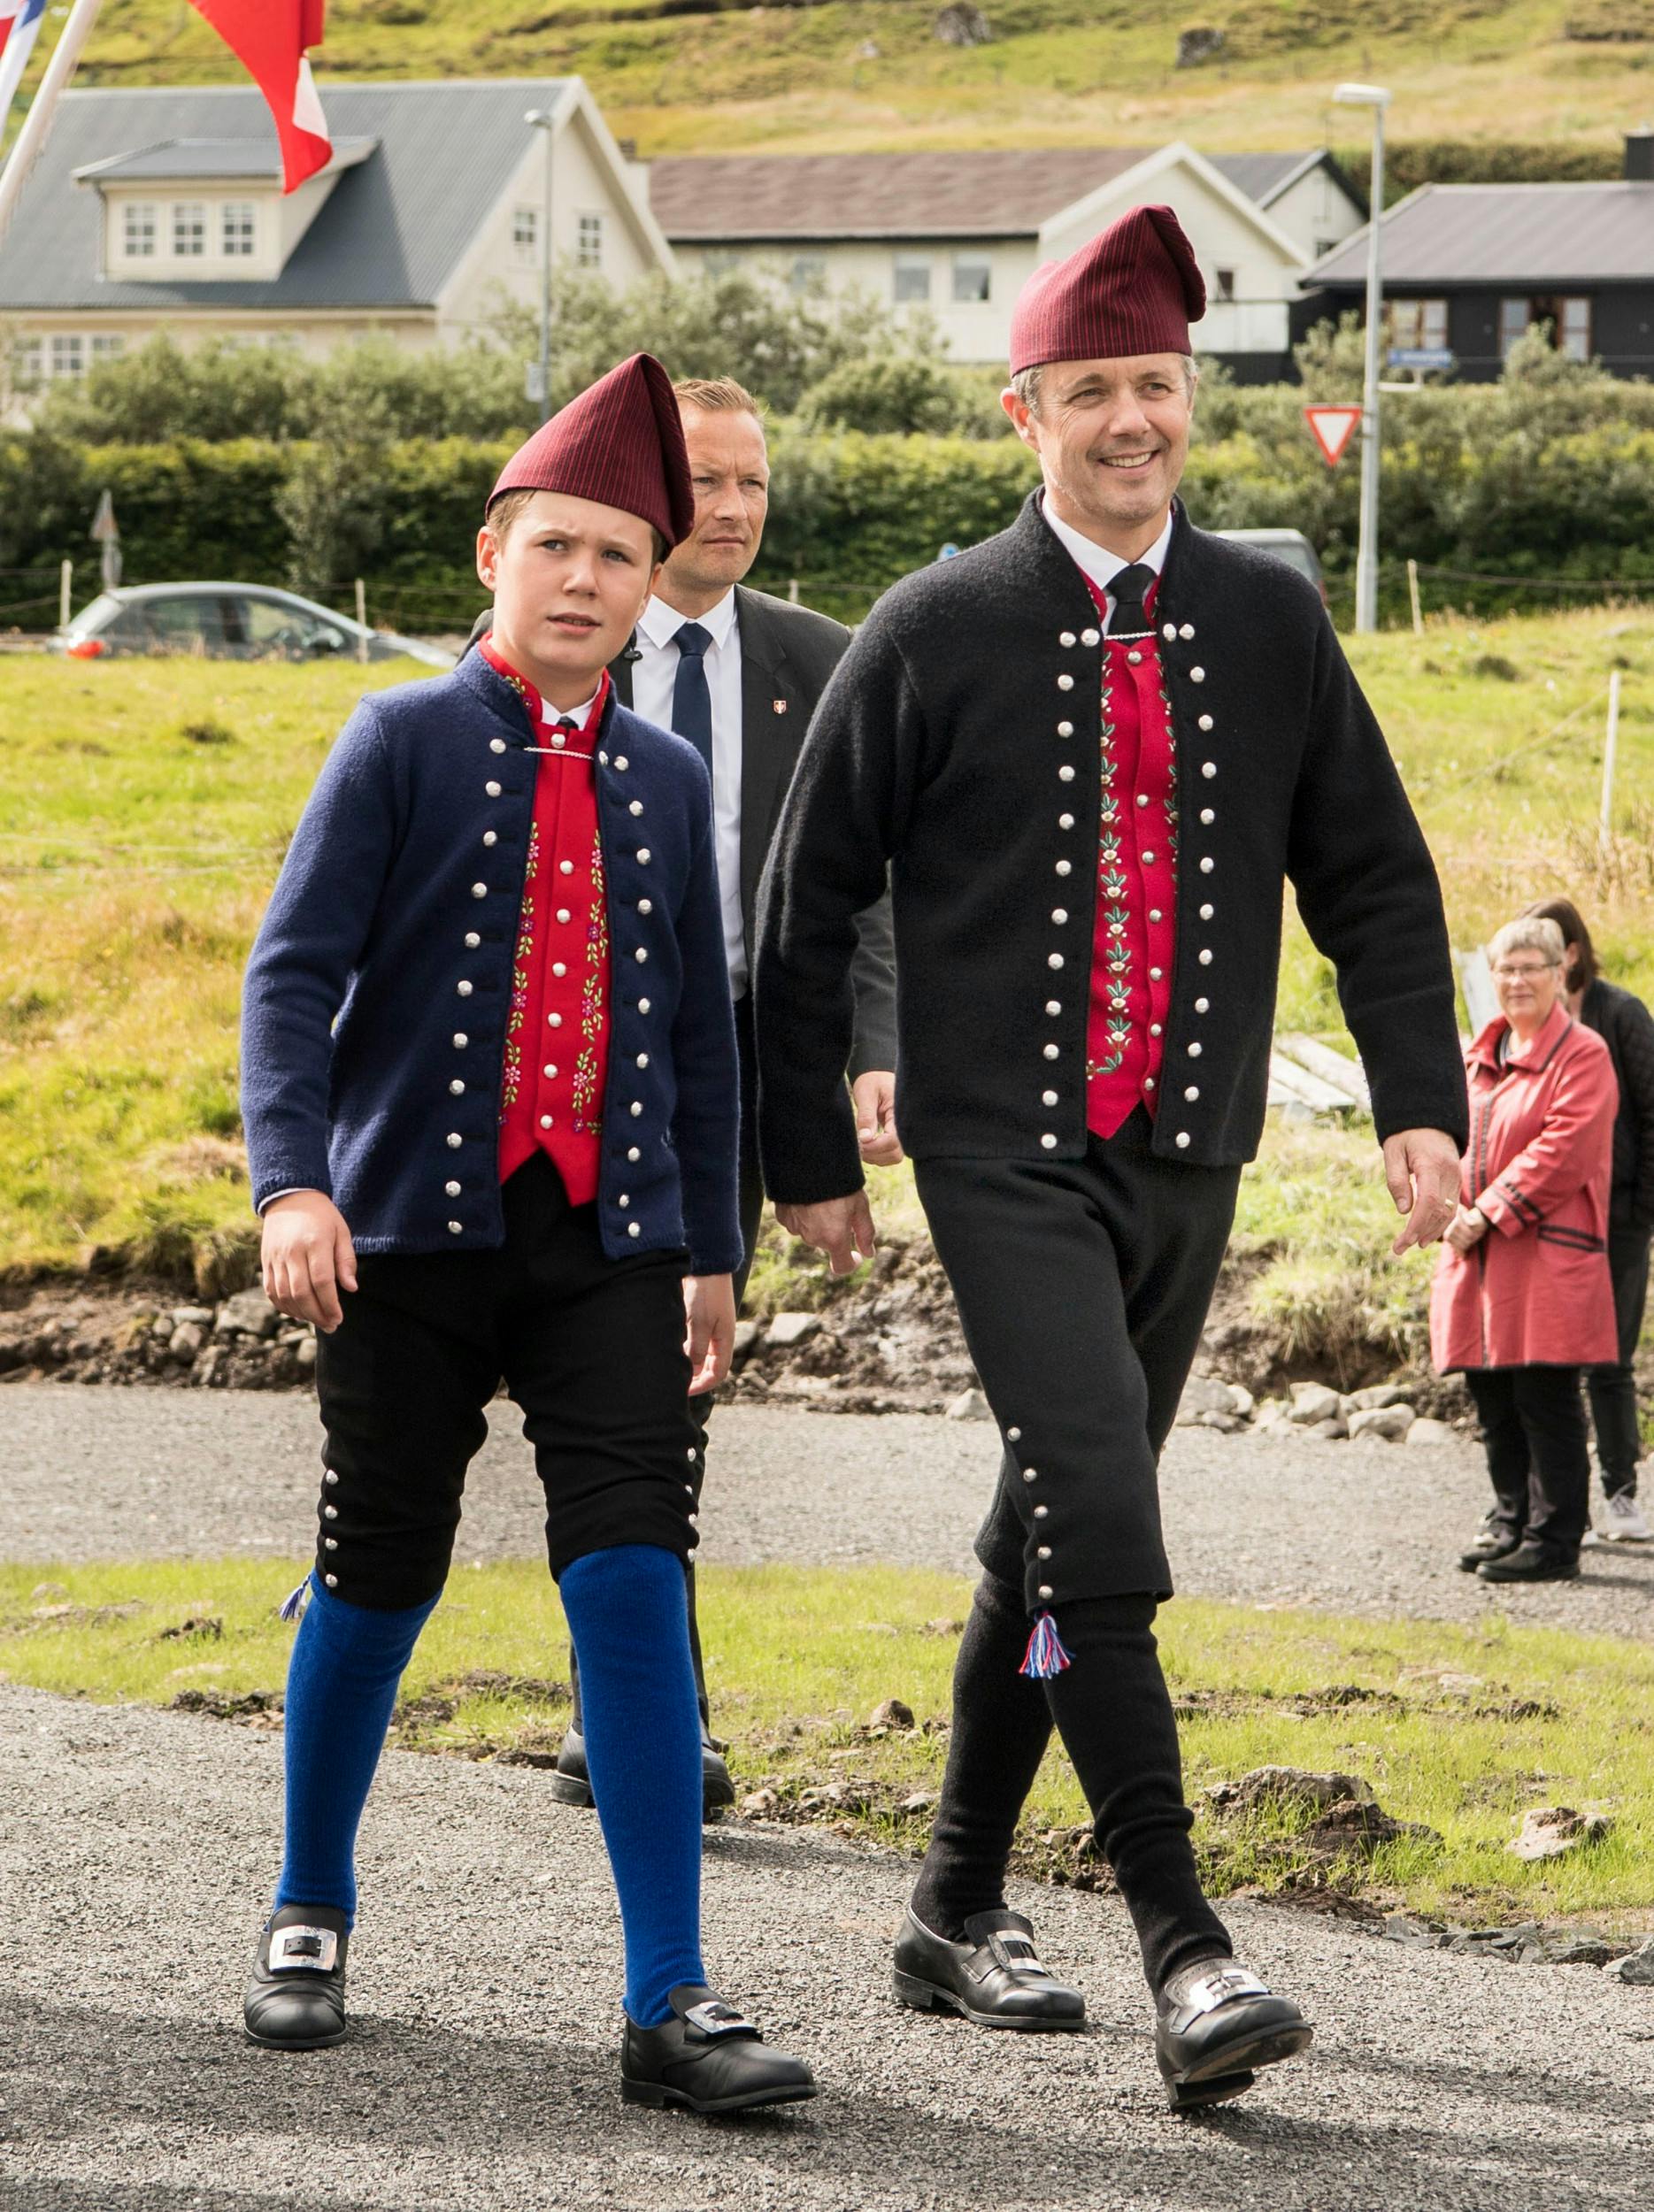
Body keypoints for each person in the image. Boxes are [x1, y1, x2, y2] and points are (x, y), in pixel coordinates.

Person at [752, 204, 1468, 2113]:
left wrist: (1419, 1098)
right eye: (1091, 392)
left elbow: (1375, 875)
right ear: (1025, 414)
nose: (1129, 420)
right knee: (1098, 1498)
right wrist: (807, 1142)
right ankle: (1184, 1941)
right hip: (999, 1151)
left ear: (1187, 401)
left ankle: (949, 1896)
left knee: (1044, 1528)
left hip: (1193, 1146)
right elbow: (804, 905)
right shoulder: (930, 626)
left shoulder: (1268, 612)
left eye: (1154, 385)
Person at [238, 352, 815, 2113]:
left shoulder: (658, 776)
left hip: (615, 1243)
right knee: (376, 1570)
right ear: (495, 549)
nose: (584, 578)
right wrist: (293, 1181)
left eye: (621, 554)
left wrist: (712, 1239)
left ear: (653, 582)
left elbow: (698, 1034)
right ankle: (309, 1904)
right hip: (403, 1240)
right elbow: (293, 979)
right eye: (556, 543)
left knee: (634, 1571)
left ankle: (670, 1995)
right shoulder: (396, 738)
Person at [473, 377, 899, 1811]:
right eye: (703, 485)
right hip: (552, 1061)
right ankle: (636, 1708)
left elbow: (868, 889)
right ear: (647, 508)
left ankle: (647, 1719)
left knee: (667, 1391)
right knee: (579, 1394)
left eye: (751, 488)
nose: (729, 512)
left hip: (722, 1070)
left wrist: (869, 1054)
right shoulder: (542, 649)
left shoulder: (822, 662)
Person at [1435, 916, 1619, 1583]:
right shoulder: (1476, 1054)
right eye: (1505, 969)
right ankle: (1509, 1520)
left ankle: (1554, 1537)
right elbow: (1452, 1140)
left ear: (1559, 973)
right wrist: (1449, 1206)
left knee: (1543, 1397)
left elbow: (1561, 1150)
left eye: (1529, 968)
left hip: (1541, 1252)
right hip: (1477, 1251)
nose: (1516, 981)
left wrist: (1484, 1212)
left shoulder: (1584, 1055)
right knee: (1492, 1398)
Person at [1526, 896, 1654, 1542]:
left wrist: (1639, 1212)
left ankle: (1621, 1495)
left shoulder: (1621, 1013)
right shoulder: (1525, 1026)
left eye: (1542, 950)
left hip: (1619, 1217)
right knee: (1538, 1364)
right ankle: (1544, 1510)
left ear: (1569, 953)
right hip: (1542, 1218)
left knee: (1609, 1359)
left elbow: (1652, 1115)